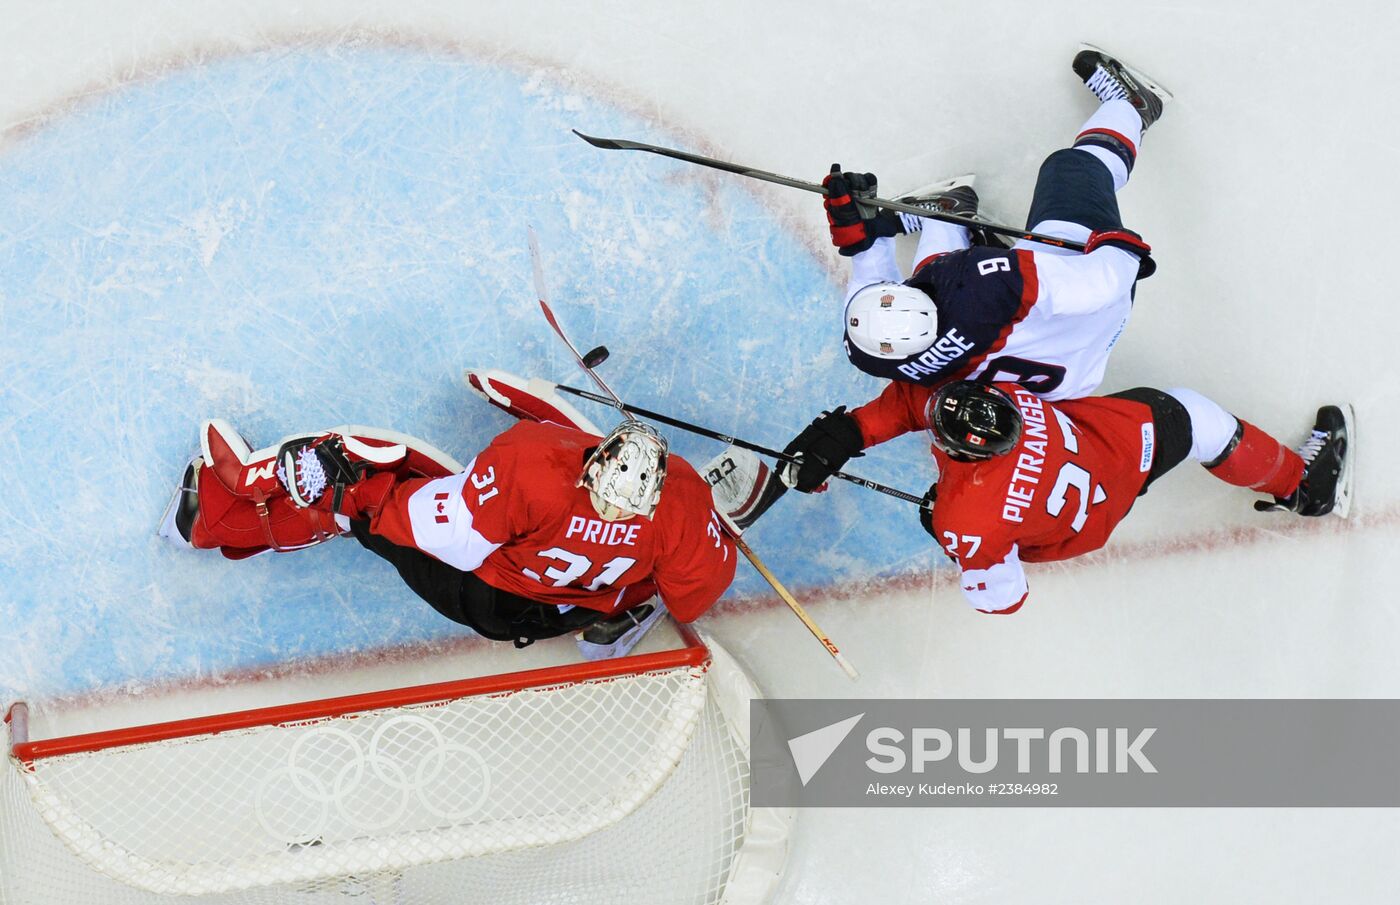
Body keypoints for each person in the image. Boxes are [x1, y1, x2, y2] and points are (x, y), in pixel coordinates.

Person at [159, 373, 738, 653]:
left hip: (489, 599)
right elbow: (693, 597)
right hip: (563, 610)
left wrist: (353, 493)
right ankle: (612, 623)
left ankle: (212, 522)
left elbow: (449, 539)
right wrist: (711, 533)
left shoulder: (531, 465)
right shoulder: (682, 499)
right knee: (653, 577)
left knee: (388, 474)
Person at [780, 379, 1353, 614]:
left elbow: (1000, 600)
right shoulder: (1001, 395)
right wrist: (850, 434)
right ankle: (1301, 488)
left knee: (1189, 416)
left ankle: (1308, 492)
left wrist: (954, 538)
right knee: (1194, 417)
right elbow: (922, 402)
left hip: (1084, 522)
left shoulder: (969, 520)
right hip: (1119, 447)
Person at [820, 46, 1168, 400]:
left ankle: (949, 212)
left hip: (1061, 369)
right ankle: (1133, 107)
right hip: (1089, 314)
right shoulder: (996, 287)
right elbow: (1103, 284)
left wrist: (866, 242)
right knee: (1069, 170)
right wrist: (1121, 249)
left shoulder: (873, 352)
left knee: (938, 275)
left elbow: (872, 293)